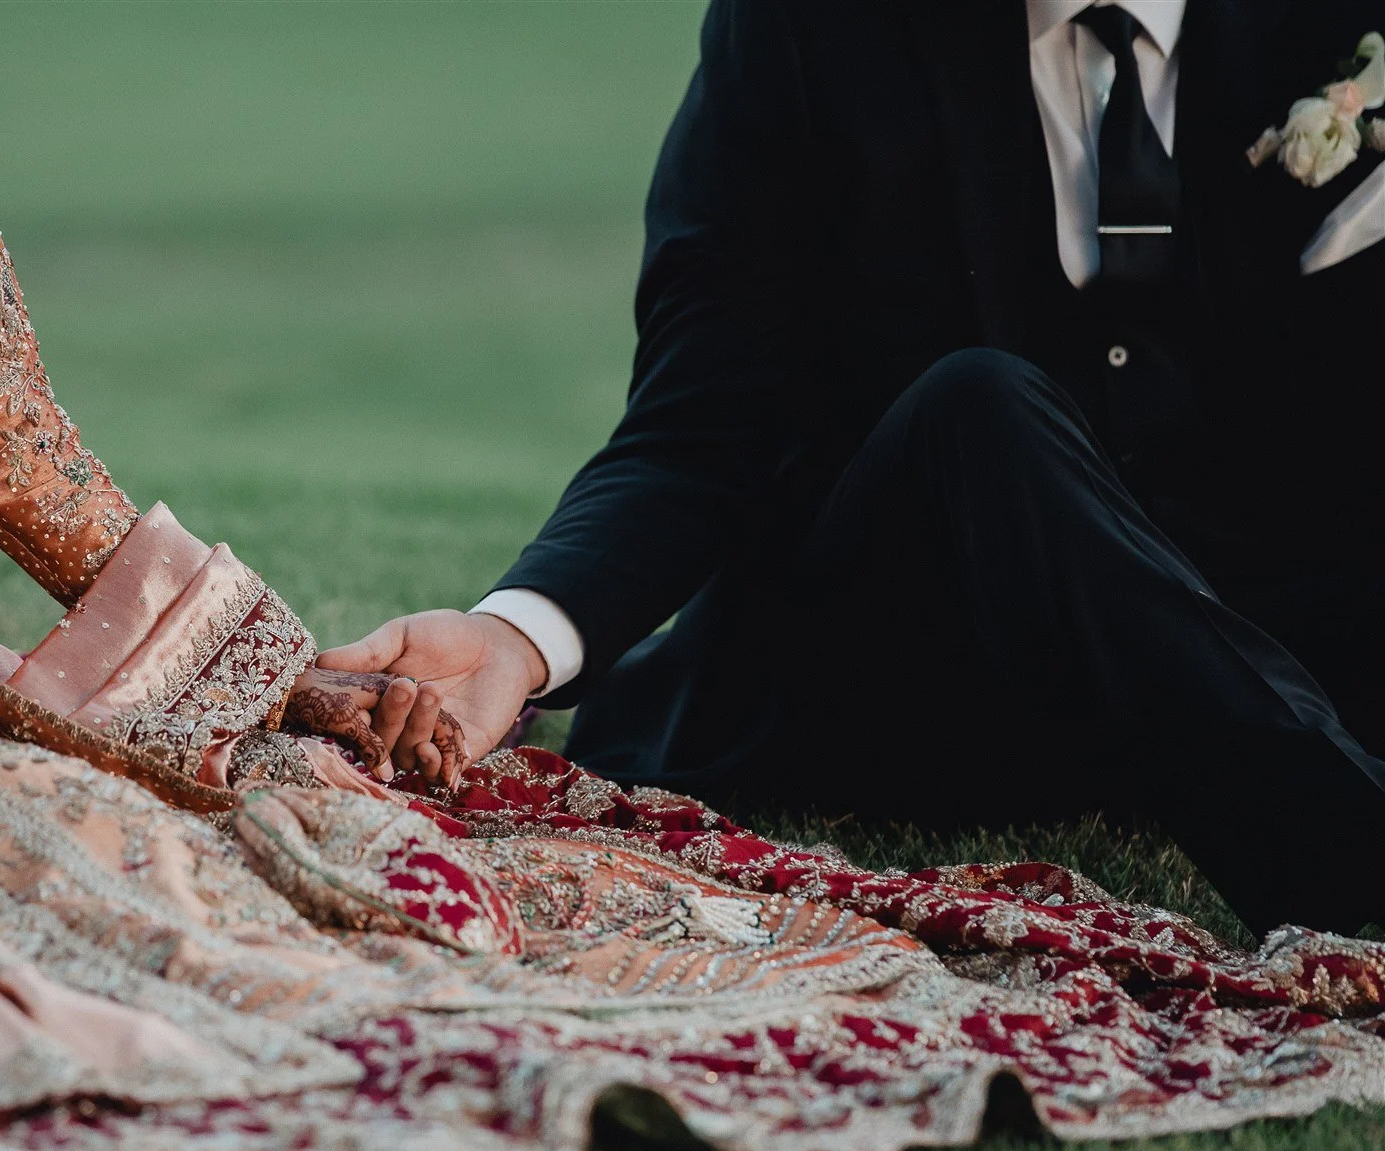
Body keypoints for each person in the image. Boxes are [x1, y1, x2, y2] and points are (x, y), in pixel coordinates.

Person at [0, 0, 1382, 1151]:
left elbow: (20, 456)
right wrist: (501, 641)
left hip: (1258, 606)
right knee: (975, 417)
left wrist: (265, 663)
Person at [330, 0, 1385, 939]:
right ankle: (1352, 866)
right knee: (978, 405)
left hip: (1272, 627)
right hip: (925, 664)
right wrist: (520, 633)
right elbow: (698, 419)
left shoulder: (1338, 22)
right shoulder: (807, 25)